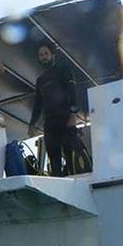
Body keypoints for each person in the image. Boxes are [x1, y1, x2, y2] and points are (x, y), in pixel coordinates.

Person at [29, 43, 79, 177]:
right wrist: (32, 124)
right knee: (54, 158)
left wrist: (73, 115)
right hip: (50, 123)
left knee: (70, 156)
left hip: (65, 119)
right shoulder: (40, 80)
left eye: (46, 54)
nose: (43, 57)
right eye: (41, 55)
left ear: (53, 55)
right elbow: (38, 104)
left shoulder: (64, 70)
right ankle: (58, 183)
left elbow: (73, 92)